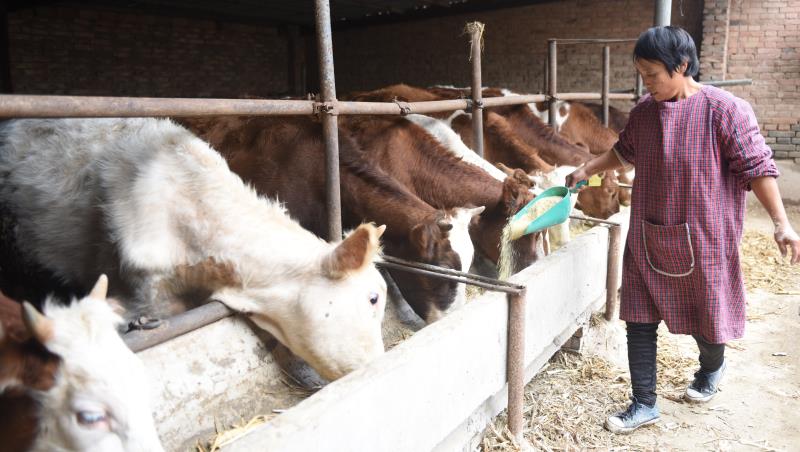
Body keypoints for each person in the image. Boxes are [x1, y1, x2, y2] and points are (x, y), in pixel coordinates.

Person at [565, 26, 800, 434]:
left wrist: (783, 224)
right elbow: (625, 150)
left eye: (653, 73)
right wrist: (587, 168)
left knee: (707, 320)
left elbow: (758, 167)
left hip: (706, 238)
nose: (647, 83)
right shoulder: (644, 112)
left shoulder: (726, 110)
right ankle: (643, 403)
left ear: (682, 65)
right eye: (642, 74)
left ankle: (712, 367)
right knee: (637, 318)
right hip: (648, 232)